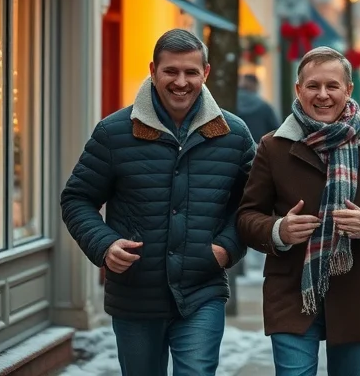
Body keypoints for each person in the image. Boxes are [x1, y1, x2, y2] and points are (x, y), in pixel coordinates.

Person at [60, 29, 255, 376]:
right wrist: (104, 245)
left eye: (191, 72)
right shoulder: (114, 132)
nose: (181, 82)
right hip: (135, 296)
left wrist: (227, 248)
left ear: (205, 73)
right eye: (171, 71)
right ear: (153, 70)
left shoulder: (234, 134)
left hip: (202, 292)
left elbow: (253, 205)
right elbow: (77, 199)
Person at [236, 47, 360, 376]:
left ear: (348, 90)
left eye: (333, 86)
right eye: (313, 86)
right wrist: (278, 231)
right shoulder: (273, 147)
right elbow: (247, 217)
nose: (323, 95)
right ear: (298, 90)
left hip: (356, 291)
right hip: (292, 288)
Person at [237, 73, 281, 141]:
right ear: (255, 85)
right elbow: (276, 131)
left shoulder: (230, 105)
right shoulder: (264, 106)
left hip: (237, 147)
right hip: (259, 147)